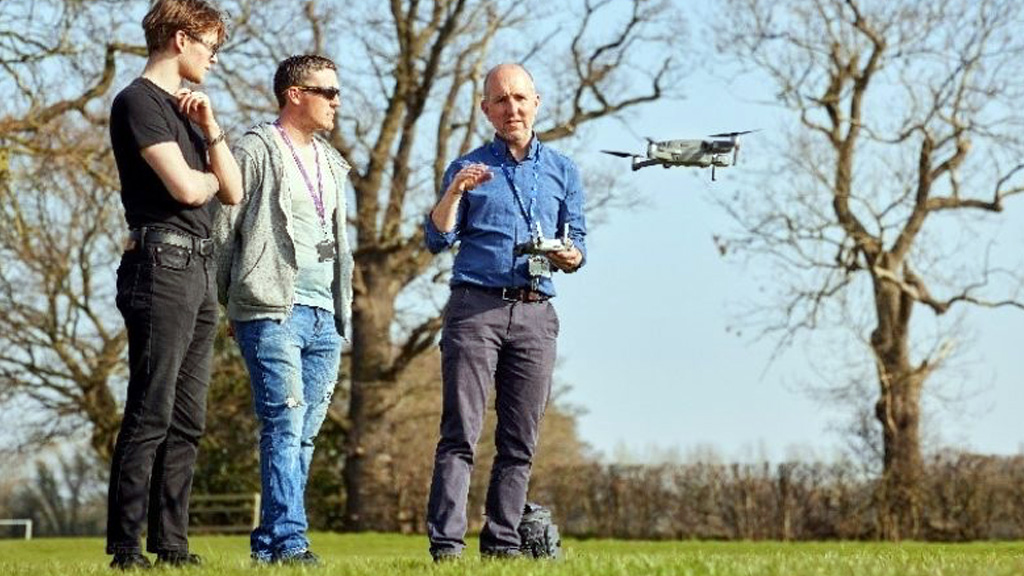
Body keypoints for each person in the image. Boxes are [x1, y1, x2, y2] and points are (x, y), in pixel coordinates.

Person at [423, 62, 587, 561]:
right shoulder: (468, 167)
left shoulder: (563, 170)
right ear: (486, 109)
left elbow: (578, 247)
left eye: (520, 98)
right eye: (500, 100)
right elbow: (436, 238)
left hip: (537, 312)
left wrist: (566, 255)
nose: (511, 108)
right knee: (461, 432)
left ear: (536, 102)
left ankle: (503, 544)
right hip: (475, 309)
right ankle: (448, 547)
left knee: (520, 439)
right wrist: (454, 192)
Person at [106, 0, 241, 569]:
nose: (214, 56)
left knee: (188, 419)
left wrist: (210, 129)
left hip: (201, 270)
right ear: (182, 39)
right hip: (159, 267)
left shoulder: (192, 112)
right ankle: (126, 548)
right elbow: (187, 190)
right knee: (151, 410)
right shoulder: (137, 102)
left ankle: (173, 545)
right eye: (211, 44)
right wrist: (209, 173)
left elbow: (232, 191)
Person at [212, 54, 353, 566]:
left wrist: (343, 308)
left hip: (325, 314)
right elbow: (222, 231)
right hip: (271, 309)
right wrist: (231, 300)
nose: (337, 101)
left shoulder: (334, 164)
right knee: (283, 422)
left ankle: (270, 544)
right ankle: (292, 541)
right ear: (296, 94)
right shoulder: (253, 150)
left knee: (307, 433)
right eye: (328, 92)